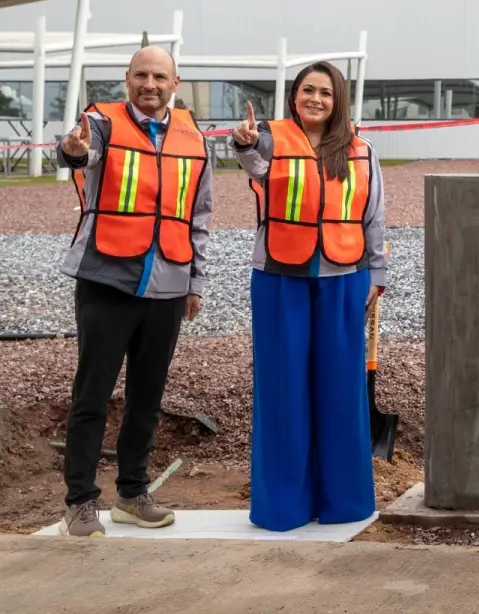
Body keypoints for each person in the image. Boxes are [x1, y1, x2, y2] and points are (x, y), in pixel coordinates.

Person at [56, 46, 212, 537]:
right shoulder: (100, 123)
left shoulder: (194, 139)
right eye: (141, 75)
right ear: (126, 80)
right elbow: (79, 151)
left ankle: (131, 492)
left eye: (159, 76)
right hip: (107, 278)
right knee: (92, 396)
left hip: (167, 284)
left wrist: (194, 282)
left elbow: (199, 217)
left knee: (147, 396)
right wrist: (74, 151)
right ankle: (79, 501)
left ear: (175, 83)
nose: (150, 83)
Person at [229, 60, 388, 532]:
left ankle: (345, 502)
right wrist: (243, 141)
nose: (315, 99)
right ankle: (284, 507)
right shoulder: (271, 140)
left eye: (325, 92)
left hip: (345, 277)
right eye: (307, 90)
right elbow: (253, 166)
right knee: (283, 389)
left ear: (338, 100)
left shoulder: (361, 149)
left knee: (341, 390)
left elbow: (373, 213)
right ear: (294, 96)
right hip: (280, 276)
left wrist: (377, 272)